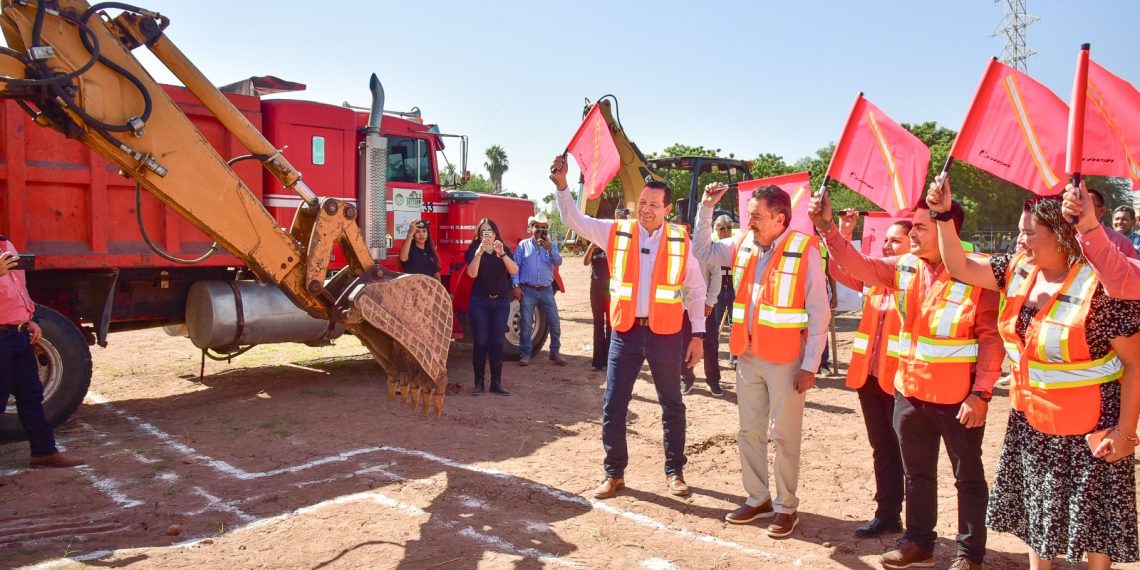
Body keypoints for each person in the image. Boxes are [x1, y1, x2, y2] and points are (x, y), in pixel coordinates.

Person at [930, 180, 1140, 569]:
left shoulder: (1102, 286)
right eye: (1019, 230)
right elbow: (958, 265)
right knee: (1037, 517)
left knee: (1094, 524)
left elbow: (1134, 365)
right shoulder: (1016, 271)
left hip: (1091, 425)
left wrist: (1126, 434)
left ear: (1061, 236)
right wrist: (943, 216)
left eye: (1029, 232)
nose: (1020, 240)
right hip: (1033, 420)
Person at [807, 189, 1001, 570]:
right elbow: (858, 265)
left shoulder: (979, 271)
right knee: (917, 475)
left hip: (959, 398)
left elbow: (991, 338)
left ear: (949, 229)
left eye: (921, 228)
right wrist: (828, 228)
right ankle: (919, 544)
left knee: (969, 479)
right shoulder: (906, 266)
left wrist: (981, 394)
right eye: (912, 227)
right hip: (910, 393)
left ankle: (969, 554)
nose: (912, 234)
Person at [552, 156, 706, 500]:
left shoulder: (681, 242)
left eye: (654, 204)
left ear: (667, 208)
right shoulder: (617, 232)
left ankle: (675, 471)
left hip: (667, 335)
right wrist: (563, 186)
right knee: (613, 404)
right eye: (643, 203)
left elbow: (696, 291)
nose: (646, 209)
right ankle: (614, 473)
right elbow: (574, 219)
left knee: (672, 405)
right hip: (626, 333)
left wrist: (698, 334)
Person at [696, 182, 830, 540]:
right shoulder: (741, 243)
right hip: (748, 355)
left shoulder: (804, 250)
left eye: (756, 216)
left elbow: (819, 311)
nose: (749, 221)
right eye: (749, 215)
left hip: (787, 361)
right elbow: (704, 251)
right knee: (749, 432)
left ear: (779, 218)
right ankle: (759, 498)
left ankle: (787, 507)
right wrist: (706, 208)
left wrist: (811, 365)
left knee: (785, 436)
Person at [831, 211, 911, 539]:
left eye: (897, 240)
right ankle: (887, 514)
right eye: (887, 239)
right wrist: (845, 231)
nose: (889, 245)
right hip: (870, 378)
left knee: (907, 453)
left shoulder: (916, 281)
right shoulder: (875, 279)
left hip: (902, 382)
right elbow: (839, 267)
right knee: (882, 449)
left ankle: (916, 525)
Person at [0, 238, 83, 468]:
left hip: (17, 335)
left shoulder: (5, 244)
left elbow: (19, 288)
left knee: (31, 396)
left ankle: (44, 452)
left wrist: (30, 320)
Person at [464, 219, 518, 396]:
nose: (486, 234)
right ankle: (479, 383)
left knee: (497, 342)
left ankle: (496, 382)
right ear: (479, 235)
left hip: (500, 302)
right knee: (480, 342)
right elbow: (472, 273)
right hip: (480, 301)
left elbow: (514, 270)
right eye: (483, 232)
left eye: (490, 231)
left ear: (495, 233)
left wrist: (502, 254)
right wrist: (479, 253)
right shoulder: (474, 250)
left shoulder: (502, 250)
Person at [514, 213, 565, 366]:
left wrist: (550, 249)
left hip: (546, 290)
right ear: (531, 228)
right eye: (537, 226)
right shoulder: (523, 245)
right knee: (526, 324)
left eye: (543, 227)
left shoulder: (551, 246)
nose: (540, 229)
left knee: (554, 322)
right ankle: (525, 355)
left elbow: (558, 262)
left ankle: (555, 352)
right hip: (528, 290)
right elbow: (515, 266)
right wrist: (516, 285)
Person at [700, 215, 736, 397]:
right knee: (712, 331)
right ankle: (711, 372)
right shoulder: (712, 246)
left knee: (736, 324)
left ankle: (734, 356)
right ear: (715, 229)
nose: (725, 231)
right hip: (717, 290)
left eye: (728, 227)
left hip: (734, 286)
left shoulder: (736, 244)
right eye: (721, 227)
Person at [583, 237, 610, 372]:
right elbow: (585, 262)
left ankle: (609, 360)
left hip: (611, 289)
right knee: (598, 324)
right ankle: (598, 361)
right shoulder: (594, 248)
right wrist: (591, 247)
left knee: (611, 325)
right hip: (596, 288)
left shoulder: (612, 245)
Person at [1087, 189, 1138, 259]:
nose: (1119, 222)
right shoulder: (1070, 238)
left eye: (1124, 219)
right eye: (1117, 219)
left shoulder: (1124, 242)